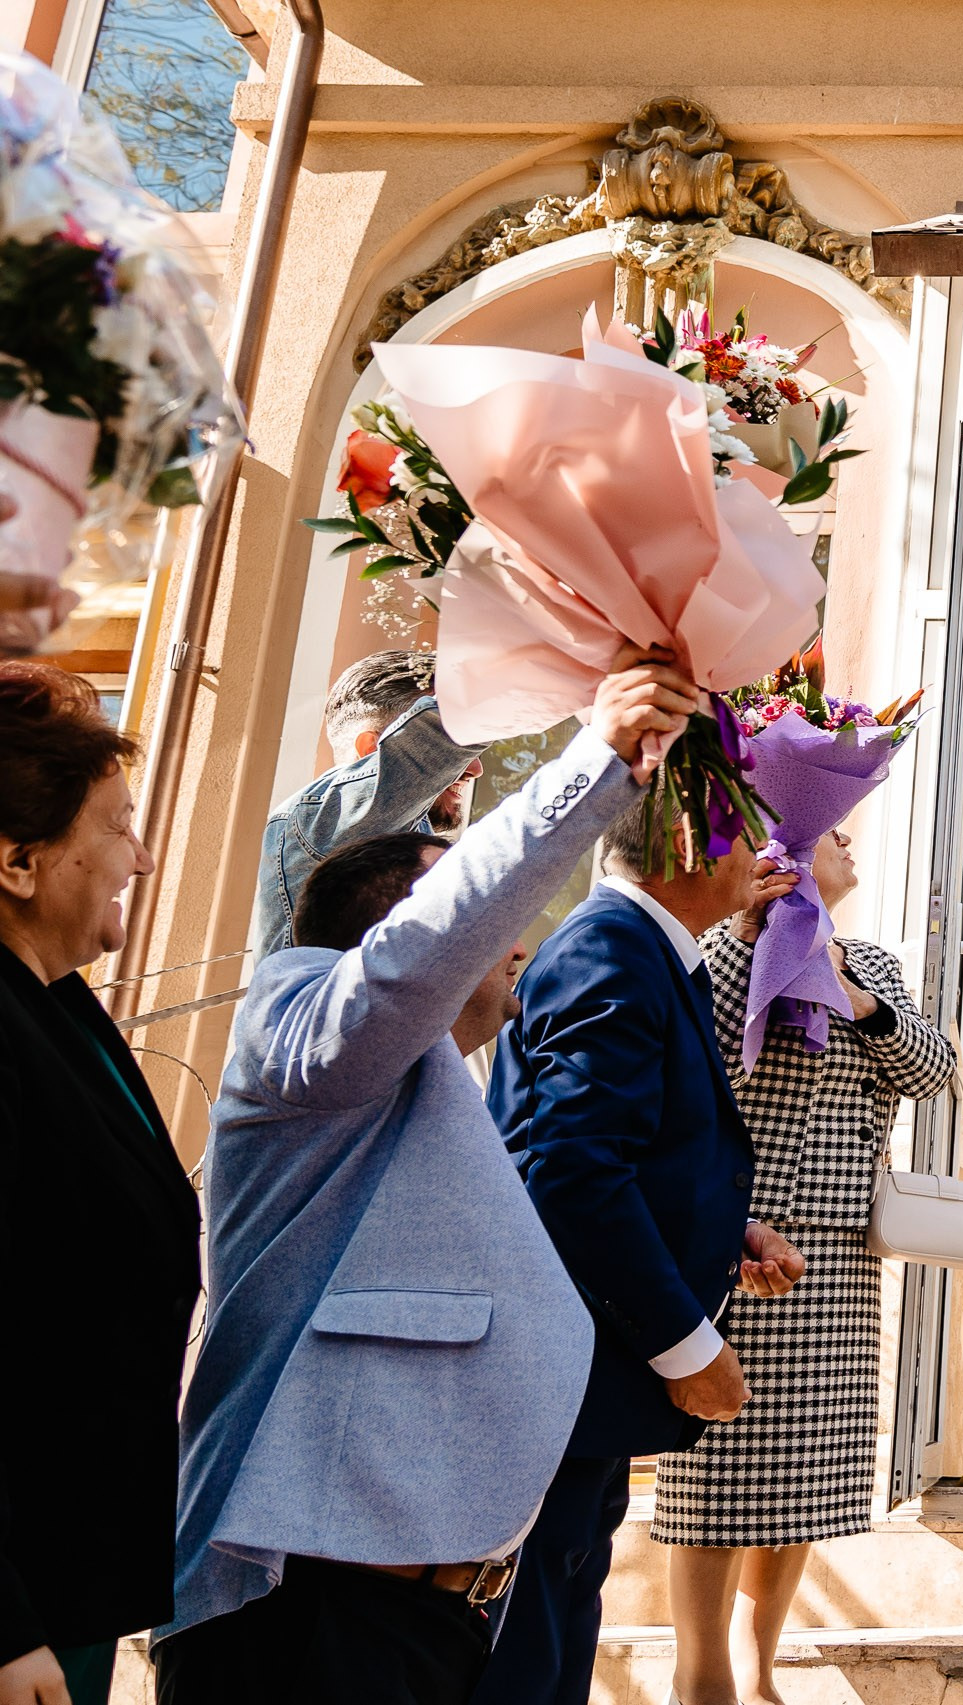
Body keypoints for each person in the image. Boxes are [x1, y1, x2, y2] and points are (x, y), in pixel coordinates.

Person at [153, 653, 697, 1705]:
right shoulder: (298, 1017)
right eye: (479, 921)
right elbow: (426, 948)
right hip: (312, 1610)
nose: (518, 946)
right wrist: (599, 757)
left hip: (421, 1613)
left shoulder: (438, 1077)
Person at [473, 806, 805, 1705]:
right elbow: (574, 1172)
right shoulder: (611, 946)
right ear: (693, 846)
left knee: (557, 1632)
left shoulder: (645, 946)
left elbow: (627, 1147)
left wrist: (725, 1234)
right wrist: (690, 1347)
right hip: (567, 1374)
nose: (770, 855)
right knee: (523, 1656)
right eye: (752, 832)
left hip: (591, 1380)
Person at [649, 825, 953, 1705]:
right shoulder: (715, 952)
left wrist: (860, 1000)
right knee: (715, 1473)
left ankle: (760, 1666)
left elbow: (932, 1070)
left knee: (805, 1474)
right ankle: (700, 1678)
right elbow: (695, 1083)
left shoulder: (873, 963)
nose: (854, 840)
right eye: (831, 831)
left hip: (841, 1251)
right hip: (740, 1241)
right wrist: (758, 934)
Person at [0, 665, 197, 1705]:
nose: (144, 859)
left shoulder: (59, 1005)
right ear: (20, 862)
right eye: (119, 827)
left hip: (64, 1576)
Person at [251, 650, 486, 959]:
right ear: (371, 750)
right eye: (424, 730)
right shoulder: (325, 818)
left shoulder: (403, 834)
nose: (476, 769)